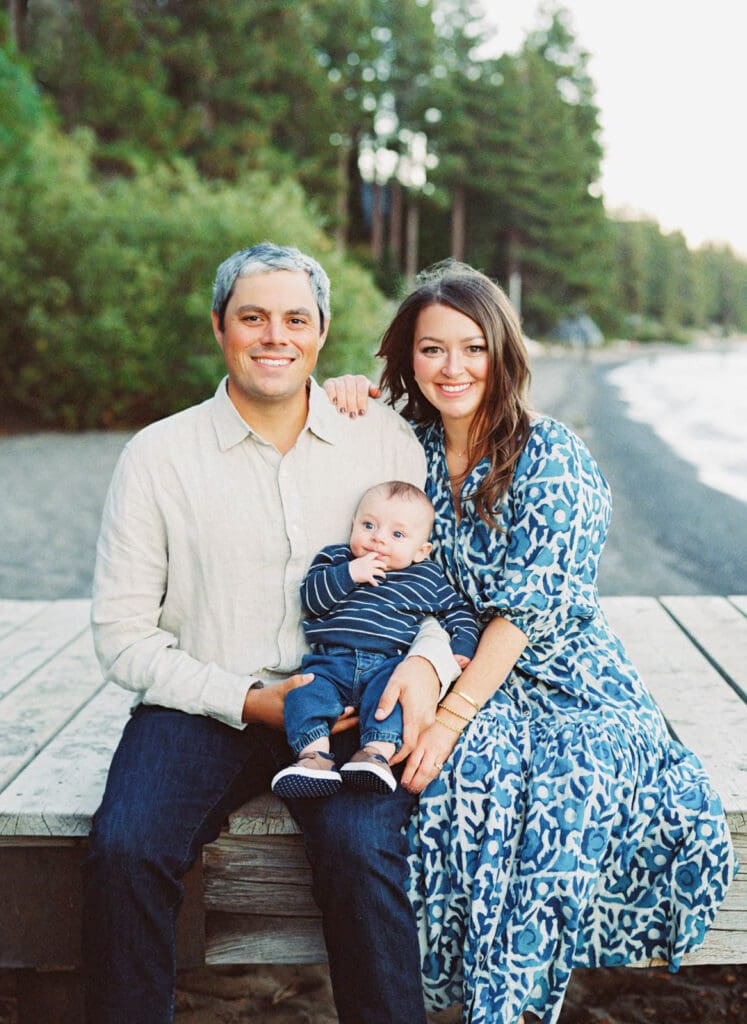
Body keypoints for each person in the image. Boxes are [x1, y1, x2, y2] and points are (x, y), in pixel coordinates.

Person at [324, 261, 737, 1024]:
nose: (452, 367)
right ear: (407, 358)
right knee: (456, 784)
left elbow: (527, 612)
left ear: (504, 354)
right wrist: (348, 392)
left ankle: (507, 1009)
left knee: (563, 785)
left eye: (472, 347)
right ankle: (458, 996)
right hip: (452, 662)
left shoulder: (549, 454)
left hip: (563, 675)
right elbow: (320, 447)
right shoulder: (399, 449)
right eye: (431, 349)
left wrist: (450, 718)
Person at [84, 242, 460, 1024]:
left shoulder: (382, 440)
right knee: (126, 847)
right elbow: (122, 635)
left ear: (321, 333)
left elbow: (437, 591)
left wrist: (425, 670)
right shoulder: (156, 456)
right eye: (252, 317)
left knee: (363, 854)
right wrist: (252, 700)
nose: (273, 336)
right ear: (219, 326)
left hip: (357, 706)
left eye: (295, 319)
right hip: (208, 703)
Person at [272, 480, 478, 798]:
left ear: (420, 550)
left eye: (397, 535)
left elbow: (457, 611)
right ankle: (313, 757)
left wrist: (461, 647)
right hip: (330, 661)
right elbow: (311, 600)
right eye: (369, 525)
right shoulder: (337, 560)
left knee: (392, 702)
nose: (378, 538)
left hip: (387, 664)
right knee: (303, 694)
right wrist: (350, 574)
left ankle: (374, 754)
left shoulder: (425, 575)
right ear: (353, 524)